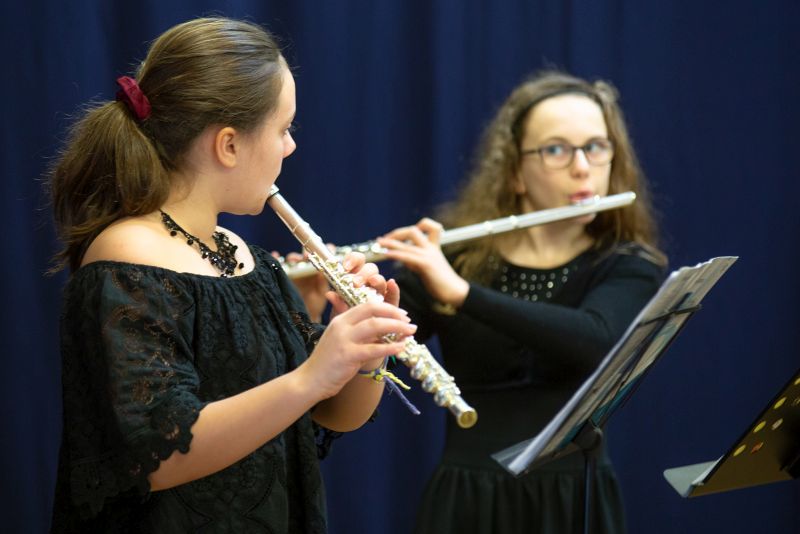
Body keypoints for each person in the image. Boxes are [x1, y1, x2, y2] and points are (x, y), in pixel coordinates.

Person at [47, 17, 417, 533]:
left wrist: (364, 355)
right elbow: (157, 454)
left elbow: (329, 414)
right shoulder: (127, 254)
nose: (289, 148)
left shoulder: (241, 253)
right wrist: (311, 377)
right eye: (284, 129)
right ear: (228, 145)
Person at [377, 71, 667, 533]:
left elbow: (596, 339)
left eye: (596, 146)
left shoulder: (628, 265)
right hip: (466, 502)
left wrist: (463, 294)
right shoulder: (455, 260)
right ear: (514, 171)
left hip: (574, 502)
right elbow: (377, 341)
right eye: (556, 149)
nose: (582, 167)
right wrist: (330, 300)